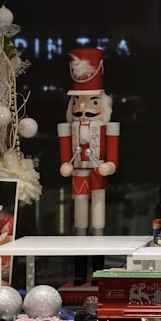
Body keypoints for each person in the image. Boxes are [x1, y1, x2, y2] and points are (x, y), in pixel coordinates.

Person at [57, 47, 119, 236]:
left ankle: (98, 239)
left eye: (92, 102)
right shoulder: (69, 127)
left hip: (98, 170)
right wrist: (65, 165)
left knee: (98, 208)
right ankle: (80, 238)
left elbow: (113, 156)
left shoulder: (107, 127)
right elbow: (66, 151)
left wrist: (110, 166)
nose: (82, 107)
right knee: (80, 209)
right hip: (79, 170)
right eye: (77, 101)